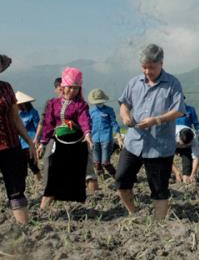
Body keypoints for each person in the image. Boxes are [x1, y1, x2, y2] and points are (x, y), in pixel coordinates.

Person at [117, 44, 185, 220]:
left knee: (159, 189)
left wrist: (157, 120)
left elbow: (179, 110)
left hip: (159, 146)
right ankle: (133, 213)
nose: (147, 71)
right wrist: (125, 116)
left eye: (151, 67)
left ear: (161, 63)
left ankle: (158, 224)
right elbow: (124, 104)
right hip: (134, 143)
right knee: (122, 180)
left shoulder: (172, 84)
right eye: (144, 67)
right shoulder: (134, 83)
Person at [38, 67, 93, 209]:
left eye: (76, 88)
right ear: (62, 87)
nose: (72, 91)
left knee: (75, 175)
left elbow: (84, 119)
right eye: (69, 87)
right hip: (58, 142)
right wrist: (43, 143)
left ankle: (80, 207)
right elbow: (49, 123)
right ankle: (44, 207)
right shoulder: (53, 103)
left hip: (76, 143)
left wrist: (87, 133)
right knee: (53, 172)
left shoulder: (81, 105)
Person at [0, 54, 37, 224]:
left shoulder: (6, 88)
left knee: (16, 190)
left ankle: (25, 230)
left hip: (11, 145)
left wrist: (29, 141)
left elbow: (15, 118)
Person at [88, 88, 123, 177]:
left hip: (106, 139)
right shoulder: (91, 111)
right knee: (97, 163)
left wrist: (118, 136)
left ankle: (117, 177)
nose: (99, 103)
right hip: (95, 139)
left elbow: (114, 123)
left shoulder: (109, 110)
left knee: (105, 162)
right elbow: (88, 125)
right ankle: (102, 178)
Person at [15, 91, 42, 180]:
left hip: (30, 141)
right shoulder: (18, 114)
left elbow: (37, 126)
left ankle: (38, 178)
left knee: (32, 162)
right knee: (21, 163)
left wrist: (38, 141)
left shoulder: (33, 112)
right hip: (21, 142)